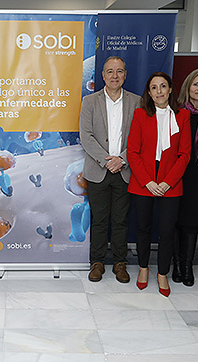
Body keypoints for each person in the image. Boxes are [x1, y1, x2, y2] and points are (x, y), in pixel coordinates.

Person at [127, 72, 191, 297]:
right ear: (149, 92)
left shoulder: (182, 116)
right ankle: (143, 269)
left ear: (171, 89)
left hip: (170, 184)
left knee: (166, 232)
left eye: (163, 86)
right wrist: (148, 182)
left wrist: (166, 183)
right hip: (143, 182)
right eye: (154, 88)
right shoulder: (140, 115)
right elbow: (132, 153)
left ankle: (162, 272)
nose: (159, 91)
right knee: (142, 228)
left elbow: (184, 155)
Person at [79, 56, 140, 284]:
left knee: (121, 220)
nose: (115, 76)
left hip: (124, 170)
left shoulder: (137, 102)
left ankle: (119, 263)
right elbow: (86, 136)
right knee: (99, 219)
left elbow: (139, 138)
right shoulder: (89, 101)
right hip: (98, 170)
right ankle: (96, 262)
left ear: (125, 74)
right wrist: (107, 161)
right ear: (103, 75)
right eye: (110, 71)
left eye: (119, 71)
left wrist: (122, 160)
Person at [171, 68, 198, 287]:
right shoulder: (176, 114)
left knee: (191, 223)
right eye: (196, 84)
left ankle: (186, 266)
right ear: (188, 87)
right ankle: (176, 265)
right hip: (177, 175)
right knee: (174, 221)